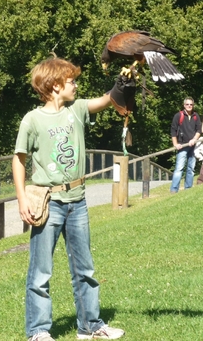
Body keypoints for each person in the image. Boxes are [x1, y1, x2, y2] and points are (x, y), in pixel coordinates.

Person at [12, 57, 126, 341]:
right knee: (40, 272)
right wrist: (21, 198)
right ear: (54, 86)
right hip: (48, 203)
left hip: (78, 201)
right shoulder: (32, 119)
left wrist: (122, 83)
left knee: (84, 269)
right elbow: (19, 160)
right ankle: (38, 332)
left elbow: (105, 100)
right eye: (71, 81)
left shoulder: (75, 110)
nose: (76, 85)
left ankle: (90, 326)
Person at [170, 97, 202, 193]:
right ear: (184, 105)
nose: (189, 106)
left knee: (191, 168)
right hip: (182, 146)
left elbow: (199, 130)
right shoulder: (178, 116)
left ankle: (188, 188)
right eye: (187, 104)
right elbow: (173, 130)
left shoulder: (196, 116)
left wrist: (194, 139)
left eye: (191, 104)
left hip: (193, 146)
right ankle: (174, 190)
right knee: (179, 169)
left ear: (193, 105)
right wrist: (175, 144)